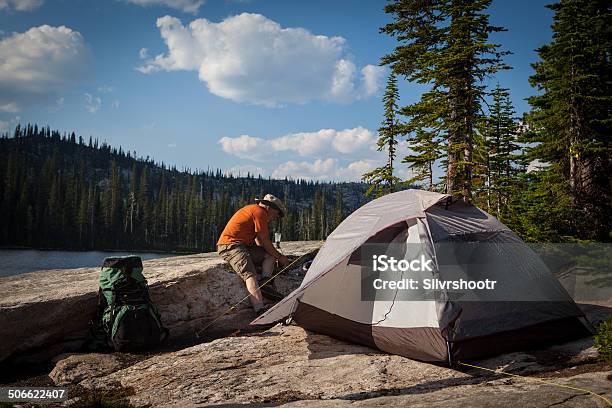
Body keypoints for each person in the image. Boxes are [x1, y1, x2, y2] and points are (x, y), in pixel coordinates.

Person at [217, 194, 290, 315]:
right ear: (269, 208)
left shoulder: (255, 211)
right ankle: (259, 309)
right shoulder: (260, 213)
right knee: (250, 275)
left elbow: (260, 240)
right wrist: (281, 258)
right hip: (231, 246)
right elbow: (265, 241)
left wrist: (270, 254)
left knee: (269, 255)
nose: (276, 217)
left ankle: (265, 282)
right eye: (278, 213)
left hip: (244, 246)